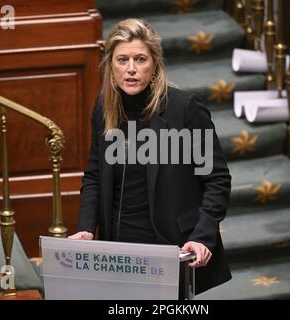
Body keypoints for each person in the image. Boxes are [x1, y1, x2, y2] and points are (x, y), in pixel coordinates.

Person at [68, 18, 232, 296]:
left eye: (140, 59)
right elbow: (94, 175)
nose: (131, 69)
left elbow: (217, 180)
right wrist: (86, 228)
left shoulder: (185, 109)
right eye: (122, 60)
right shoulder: (104, 110)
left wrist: (202, 237)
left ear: (154, 64)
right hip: (118, 248)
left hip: (171, 245)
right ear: (111, 67)